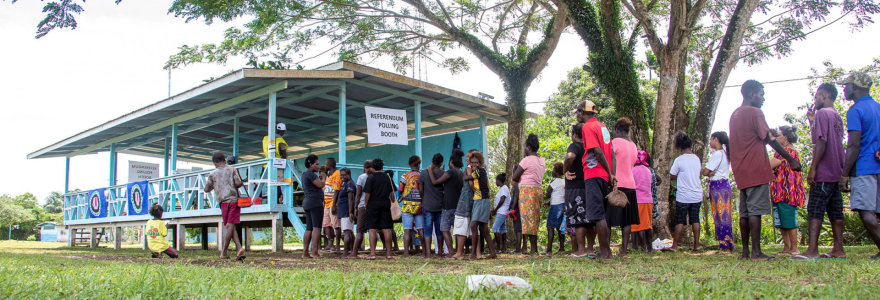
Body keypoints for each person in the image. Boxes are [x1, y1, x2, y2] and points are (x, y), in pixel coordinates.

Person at [729, 80, 802, 261]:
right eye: (761, 94)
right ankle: (756, 252)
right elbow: (770, 138)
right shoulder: (755, 112)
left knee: (745, 212)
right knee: (755, 212)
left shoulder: (735, 114)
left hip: (741, 169)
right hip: (755, 168)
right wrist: (791, 158)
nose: (763, 98)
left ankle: (745, 252)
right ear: (752, 94)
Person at [796, 83, 847, 260]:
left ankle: (812, 250)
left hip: (824, 171)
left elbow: (822, 142)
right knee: (835, 210)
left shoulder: (823, 113)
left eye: (817, 96)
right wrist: (812, 123)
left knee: (815, 208)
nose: (815, 100)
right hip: (837, 170)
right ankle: (838, 249)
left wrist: (813, 168)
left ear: (824, 96)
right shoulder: (835, 115)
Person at [840, 72, 880, 259]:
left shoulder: (855, 111)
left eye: (846, 86)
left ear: (855, 87)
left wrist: (845, 174)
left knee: (866, 213)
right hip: (878, 167)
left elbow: (854, 144)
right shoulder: (878, 107)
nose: (844, 89)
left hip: (864, 167)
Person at [574, 100, 615, 259]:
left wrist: (608, 173)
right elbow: (611, 152)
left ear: (583, 112)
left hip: (594, 173)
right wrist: (611, 174)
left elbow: (597, 152)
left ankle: (604, 252)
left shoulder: (588, 127)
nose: (577, 115)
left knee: (598, 215)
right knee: (603, 214)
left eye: (578, 112)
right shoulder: (603, 127)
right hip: (605, 175)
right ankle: (607, 250)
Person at [769, 126, 805, 255]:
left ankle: (794, 247)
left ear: (785, 137)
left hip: (786, 191)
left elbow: (770, 165)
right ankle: (787, 247)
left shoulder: (786, 151)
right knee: (781, 220)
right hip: (779, 190)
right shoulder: (784, 152)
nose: (777, 139)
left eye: (778, 136)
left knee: (789, 219)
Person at [511, 134, 547, 256]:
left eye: (525, 147)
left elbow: (515, 177)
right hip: (538, 190)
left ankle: (533, 249)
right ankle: (534, 248)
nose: (524, 150)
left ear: (529, 147)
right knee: (534, 219)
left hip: (527, 191)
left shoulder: (526, 160)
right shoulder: (542, 160)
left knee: (527, 220)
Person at [204, 152, 245, 260]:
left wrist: (216, 184)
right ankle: (239, 248)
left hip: (223, 202)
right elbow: (237, 183)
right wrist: (242, 183)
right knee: (230, 226)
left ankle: (224, 252)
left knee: (229, 225)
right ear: (225, 160)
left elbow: (207, 189)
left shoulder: (212, 174)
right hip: (233, 200)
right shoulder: (232, 169)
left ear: (214, 163)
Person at [608, 117, 639, 257]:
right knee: (627, 221)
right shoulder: (633, 145)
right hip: (631, 185)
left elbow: (609, 161)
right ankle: (624, 250)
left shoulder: (615, 142)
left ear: (616, 130)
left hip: (616, 184)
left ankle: (606, 248)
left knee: (607, 218)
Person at [563, 123, 595, 257]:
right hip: (588, 184)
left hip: (575, 187)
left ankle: (580, 250)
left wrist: (565, 170)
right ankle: (590, 248)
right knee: (590, 219)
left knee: (578, 219)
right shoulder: (590, 147)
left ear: (574, 135)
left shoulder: (574, 146)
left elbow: (570, 156)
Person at [668, 132, 703, 252]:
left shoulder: (679, 160)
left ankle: (675, 245)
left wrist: (679, 178)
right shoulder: (696, 159)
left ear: (680, 147)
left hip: (683, 196)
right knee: (695, 219)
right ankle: (696, 245)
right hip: (697, 194)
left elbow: (672, 175)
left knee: (680, 220)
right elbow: (698, 174)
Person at [427, 149, 465, 258]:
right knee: (457, 230)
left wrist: (430, 170)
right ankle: (459, 252)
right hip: (458, 205)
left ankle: (451, 252)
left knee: (444, 228)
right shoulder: (460, 173)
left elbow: (435, 182)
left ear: (451, 162)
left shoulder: (450, 172)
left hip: (448, 206)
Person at [701, 131, 734, 251]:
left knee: (720, 215)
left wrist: (709, 173)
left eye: (711, 139)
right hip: (723, 185)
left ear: (716, 139)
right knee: (723, 215)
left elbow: (705, 172)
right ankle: (725, 242)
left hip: (718, 185)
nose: (710, 142)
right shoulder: (725, 153)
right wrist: (710, 172)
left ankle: (725, 243)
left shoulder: (717, 154)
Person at [465, 151, 497, 259]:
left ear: (480, 162)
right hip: (480, 200)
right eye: (472, 162)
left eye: (476, 162)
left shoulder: (480, 171)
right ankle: (492, 253)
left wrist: (468, 171)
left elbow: (467, 178)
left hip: (482, 200)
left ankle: (474, 254)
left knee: (474, 225)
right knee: (483, 227)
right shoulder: (480, 171)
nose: (474, 164)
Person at [363, 158, 395, 259]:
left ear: (373, 167)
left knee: (372, 229)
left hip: (373, 205)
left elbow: (367, 193)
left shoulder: (371, 177)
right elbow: (393, 194)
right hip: (385, 204)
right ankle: (389, 254)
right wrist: (391, 201)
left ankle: (372, 254)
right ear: (382, 167)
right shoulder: (387, 177)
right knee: (386, 229)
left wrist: (366, 204)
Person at [399, 156, 426, 258]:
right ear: (418, 164)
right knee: (420, 229)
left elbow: (401, 189)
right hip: (419, 205)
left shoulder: (405, 175)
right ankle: (424, 252)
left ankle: (406, 253)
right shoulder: (422, 175)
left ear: (410, 164)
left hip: (407, 205)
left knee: (407, 230)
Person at [420, 153, 446, 257]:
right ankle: (439, 253)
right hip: (440, 205)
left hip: (427, 205)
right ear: (441, 163)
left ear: (432, 160)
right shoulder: (443, 173)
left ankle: (427, 254)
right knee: (439, 231)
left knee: (427, 230)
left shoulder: (423, 173)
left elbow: (421, 190)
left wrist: (424, 199)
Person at [451, 151, 476, 259]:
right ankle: (473, 253)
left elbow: (471, 184)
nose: (466, 159)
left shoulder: (469, 169)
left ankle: (459, 252)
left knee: (461, 226)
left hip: (465, 201)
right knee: (471, 228)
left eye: (468, 157)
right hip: (470, 201)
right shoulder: (477, 169)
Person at [300, 154, 324, 258]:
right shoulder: (311, 175)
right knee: (317, 227)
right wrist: (324, 178)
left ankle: (305, 252)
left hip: (307, 203)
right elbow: (320, 185)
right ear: (311, 164)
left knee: (309, 228)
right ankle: (314, 252)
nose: (318, 166)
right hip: (315, 203)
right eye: (317, 164)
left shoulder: (304, 174)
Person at [632, 151, 654, 253]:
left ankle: (641, 247)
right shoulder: (648, 170)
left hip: (637, 200)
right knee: (648, 225)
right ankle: (650, 247)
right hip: (648, 200)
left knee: (638, 226)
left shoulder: (633, 170)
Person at [351, 160, 373, 258]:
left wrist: (355, 207)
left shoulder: (362, 177)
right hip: (373, 206)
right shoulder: (375, 177)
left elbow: (358, 194)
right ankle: (373, 253)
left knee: (360, 231)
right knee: (372, 230)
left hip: (363, 206)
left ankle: (354, 253)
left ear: (364, 167)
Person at [543, 162, 566, 255]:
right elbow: (559, 195)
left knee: (550, 227)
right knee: (560, 228)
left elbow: (548, 194)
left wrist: (543, 196)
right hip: (562, 206)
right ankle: (562, 247)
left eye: (553, 169)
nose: (552, 171)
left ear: (556, 171)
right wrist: (548, 203)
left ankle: (549, 249)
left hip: (555, 207)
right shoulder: (564, 181)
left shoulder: (553, 181)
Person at [262, 123, 288, 203]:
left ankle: (258, 200)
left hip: (266, 166)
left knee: (265, 185)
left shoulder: (266, 139)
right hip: (277, 165)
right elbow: (284, 155)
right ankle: (275, 202)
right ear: (283, 131)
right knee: (277, 185)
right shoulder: (281, 141)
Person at [334, 168, 357, 258]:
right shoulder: (345, 184)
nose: (342, 177)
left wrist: (350, 211)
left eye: (344, 175)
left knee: (347, 232)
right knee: (349, 232)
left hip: (347, 211)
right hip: (343, 211)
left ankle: (345, 253)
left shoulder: (350, 184)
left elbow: (351, 199)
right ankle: (352, 251)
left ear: (349, 174)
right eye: (341, 175)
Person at [322, 158, 342, 252]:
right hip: (326, 203)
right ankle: (330, 243)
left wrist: (334, 204)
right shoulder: (328, 175)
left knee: (336, 225)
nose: (325, 165)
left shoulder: (337, 174)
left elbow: (337, 190)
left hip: (333, 203)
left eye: (326, 164)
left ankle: (337, 245)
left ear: (330, 164)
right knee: (326, 224)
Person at [491, 173, 511, 253]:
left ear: (499, 181)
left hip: (502, 212)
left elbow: (502, 200)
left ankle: (498, 248)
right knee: (503, 229)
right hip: (503, 212)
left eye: (496, 180)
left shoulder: (504, 188)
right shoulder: (503, 188)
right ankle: (504, 248)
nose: (495, 182)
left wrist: (495, 210)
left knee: (495, 228)